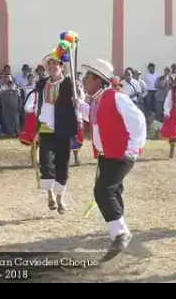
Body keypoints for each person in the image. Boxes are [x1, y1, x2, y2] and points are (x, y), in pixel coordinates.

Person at [79, 59, 146, 258]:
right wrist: (79, 105)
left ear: (97, 79)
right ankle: (120, 230)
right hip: (106, 154)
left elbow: (139, 121)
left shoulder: (116, 97)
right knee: (113, 190)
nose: (83, 81)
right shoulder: (97, 101)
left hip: (121, 153)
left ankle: (120, 233)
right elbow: (94, 117)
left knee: (103, 191)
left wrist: (132, 148)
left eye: (87, 78)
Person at [23, 52, 81, 214]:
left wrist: (78, 94)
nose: (52, 67)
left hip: (63, 130)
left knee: (62, 165)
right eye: (49, 65)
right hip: (46, 129)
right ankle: (50, 195)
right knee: (46, 164)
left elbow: (79, 101)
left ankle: (61, 197)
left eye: (55, 64)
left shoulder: (70, 84)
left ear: (62, 66)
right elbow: (32, 103)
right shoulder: (42, 85)